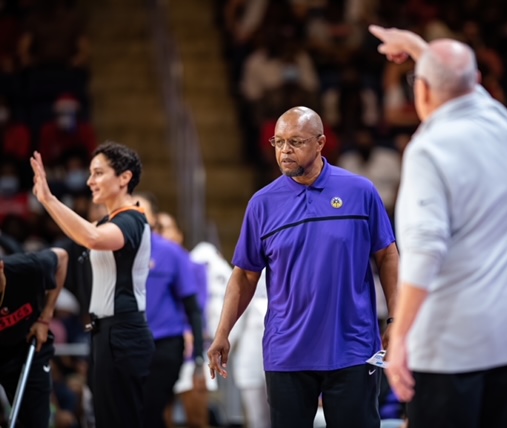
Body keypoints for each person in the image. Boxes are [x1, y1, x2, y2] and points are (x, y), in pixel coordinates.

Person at [368, 25, 507, 428]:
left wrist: (403, 335)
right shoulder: (504, 124)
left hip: (450, 345)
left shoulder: (428, 147)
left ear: (421, 90)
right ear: (476, 82)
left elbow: (425, 252)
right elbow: (460, 83)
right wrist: (418, 50)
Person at [208, 106, 399, 428]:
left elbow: (388, 257)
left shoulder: (359, 191)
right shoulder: (262, 204)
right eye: (278, 142)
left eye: (295, 142)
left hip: (352, 348)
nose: (285, 151)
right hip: (287, 352)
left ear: (321, 142)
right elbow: (244, 276)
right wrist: (222, 332)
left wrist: (396, 318)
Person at [30, 141, 155, 428]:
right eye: (90, 173)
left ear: (124, 178)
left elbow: (92, 239)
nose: (89, 181)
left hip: (123, 332)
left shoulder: (132, 220)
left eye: (98, 173)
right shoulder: (107, 222)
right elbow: (80, 240)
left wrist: (48, 199)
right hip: (105, 333)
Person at [134, 194, 205, 428]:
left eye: (142, 211)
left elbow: (193, 306)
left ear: (154, 219)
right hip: (126, 345)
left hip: (164, 345)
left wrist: (198, 358)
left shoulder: (171, 253)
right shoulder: (114, 250)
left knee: (152, 412)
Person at [0, 247, 68, 427]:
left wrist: (45, 318)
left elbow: (62, 257)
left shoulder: (29, 267)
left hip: (28, 345)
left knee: (35, 421)